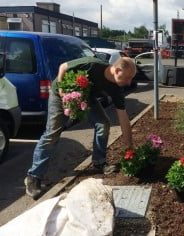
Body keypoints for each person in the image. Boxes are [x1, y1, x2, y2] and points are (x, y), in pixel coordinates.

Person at [24, 56, 136, 200]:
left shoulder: (116, 88)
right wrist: (63, 92)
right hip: (60, 94)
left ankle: (99, 161)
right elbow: (63, 67)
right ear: (118, 70)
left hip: (86, 97)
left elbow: (123, 117)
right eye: (127, 78)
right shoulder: (92, 64)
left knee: (103, 123)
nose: (129, 82)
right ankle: (34, 176)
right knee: (52, 133)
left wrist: (130, 148)